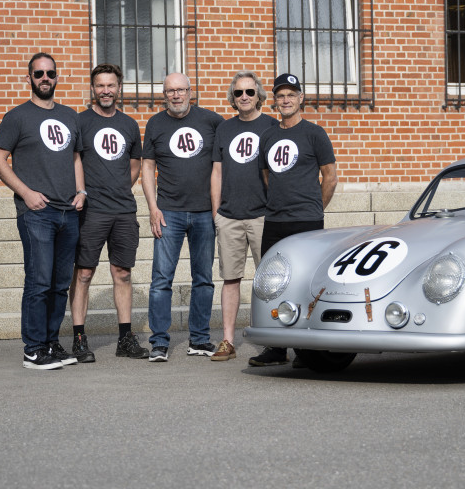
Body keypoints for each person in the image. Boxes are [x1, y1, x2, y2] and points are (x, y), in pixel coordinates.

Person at [0, 52, 86, 370]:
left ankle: (50, 342)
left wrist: (82, 191)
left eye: (50, 73)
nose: (45, 78)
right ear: (29, 78)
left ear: (57, 77)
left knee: (60, 284)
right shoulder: (18, 117)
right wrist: (25, 193)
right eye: (39, 73)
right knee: (39, 281)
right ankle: (33, 349)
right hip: (37, 213)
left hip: (68, 212)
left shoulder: (70, 116)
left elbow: (75, 159)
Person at [248, 73, 338, 367]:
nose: (285, 100)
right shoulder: (269, 136)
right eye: (280, 95)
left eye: (291, 94)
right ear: (274, 101)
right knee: (273, 283)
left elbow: (330, 177)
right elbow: (266, 176)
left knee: (306, 284)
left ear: (301, 98)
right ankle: (276, 348)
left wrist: (315, 208)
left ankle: (306, 349)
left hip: (307, 222)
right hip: (275, 221)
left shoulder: (315, 133)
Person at [141, 72, 224, 362]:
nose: (176, 95)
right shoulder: (156, 123)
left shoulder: (212, 121)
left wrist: (220, 209)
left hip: (204, 213)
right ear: (164, 95)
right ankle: (159, 343)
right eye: (170, 91)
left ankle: (199, 339)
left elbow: (223, 166)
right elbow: (147, 167)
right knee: (161, 280)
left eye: (181, 90)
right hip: (169, 213)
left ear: (191, 91)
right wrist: (153, 207)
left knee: (203, 279)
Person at [69, 63, 149, 362]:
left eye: (111, 85)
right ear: (93, 89)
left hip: (124, 211)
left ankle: (125, 338)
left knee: (122, 273)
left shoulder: (129, 124)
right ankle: (79, 338)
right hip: (91, 212)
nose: (105, 90)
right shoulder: (79, 122)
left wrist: (117, 187)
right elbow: (73, 160)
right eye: (100, 85)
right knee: (84, 273)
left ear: (119, 88)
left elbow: (135, 163)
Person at [208, 71, 277, 361]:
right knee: (231, 279)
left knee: (271, 281)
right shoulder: (224, 129)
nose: (244, 97)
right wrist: (216, 214)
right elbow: (217, 171)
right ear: (233, 98)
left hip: (263, 216)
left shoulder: (273, 127)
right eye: (239, 93)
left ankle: (275, 341)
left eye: (250, 92)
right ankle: (227, 341)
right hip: (230, 216)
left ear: (259, 95)